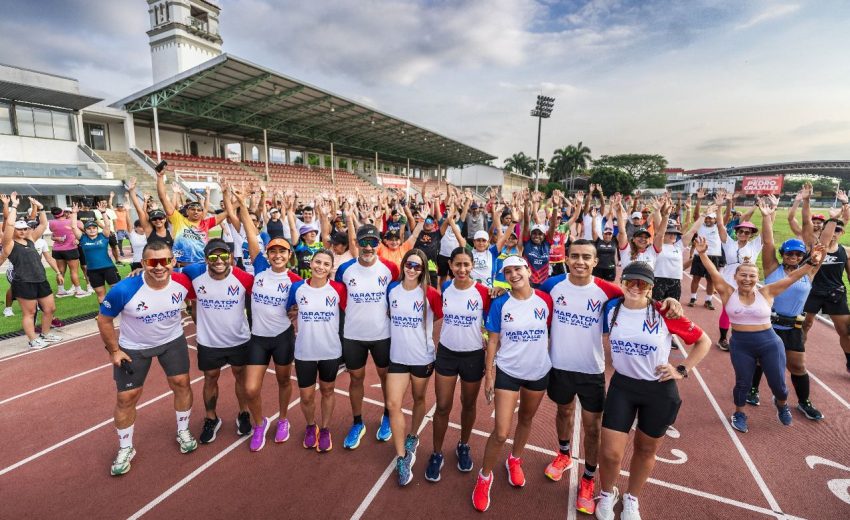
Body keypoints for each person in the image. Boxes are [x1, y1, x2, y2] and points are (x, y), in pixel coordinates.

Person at [596, 261, 711, 520]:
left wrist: (682, 370)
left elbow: (703, 341)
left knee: (646, 449)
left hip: (658, 390)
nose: (635, 287)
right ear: (622, 282)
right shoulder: (611, 307)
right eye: (630, 281)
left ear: (651, 287)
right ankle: (607, 493)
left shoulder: (664, 312)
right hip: (623, 386)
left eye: (643, 283)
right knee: (611, 452)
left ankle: (632, 498)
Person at [694, 236, 825, 433]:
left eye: (752, 276)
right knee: (742, 383)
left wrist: (812, 263)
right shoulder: (727, 292)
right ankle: (739, 413)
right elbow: (713, 271)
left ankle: (781, 405)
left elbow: (791, 277)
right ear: (736, 277)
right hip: (741, 344)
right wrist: (703, 254)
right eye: (743, 275)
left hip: (769, 343)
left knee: (779, 385)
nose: (747, 279)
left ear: (757, 278)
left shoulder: (767, 292)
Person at [97, 241, 197, 475]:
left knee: (182, 384)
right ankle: (125, 447)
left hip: (172, 342)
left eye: (165, 261)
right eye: (152, 262)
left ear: (173, 261)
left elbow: (208, 275)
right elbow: (103, 320)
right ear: (143, 264)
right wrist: (114, 351)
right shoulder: (124, 289)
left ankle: (183, 430)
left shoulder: (183, 281)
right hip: (134, 348)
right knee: (126, 397)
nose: (159, 267)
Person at [538, 239, 623, 515]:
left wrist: (668, 303)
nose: (580, 262)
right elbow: (525, 295)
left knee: (593, 427)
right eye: (574, 256)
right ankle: (563, 455)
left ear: (596, 262)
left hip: (591, 370)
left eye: (586, 257)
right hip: (560, 365)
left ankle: (588, 478)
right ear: (566, 258)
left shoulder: (608, 290)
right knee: (563, 412)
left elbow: (639, 298)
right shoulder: (553, 285)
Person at [472, 256, 553, 512]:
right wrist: (489, 374)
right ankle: (484, 477)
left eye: (518, 269)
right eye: (508, 271)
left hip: (538, 371)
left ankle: (514, 459)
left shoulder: (545, 299)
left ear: (528, 271)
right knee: (500, 432)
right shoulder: (500, 303)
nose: (514, 274)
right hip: (508, 371)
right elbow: (493, 341)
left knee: (526, 420)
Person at [750, 199, 837, 421]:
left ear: (803, 257)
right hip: (768, 325)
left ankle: (804, 402)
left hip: (792, 328)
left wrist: (833, 219)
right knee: (760, 360)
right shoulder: (772, 268)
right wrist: (767, 215)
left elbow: (823, 245)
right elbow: (767, 242)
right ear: (783, 255)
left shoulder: (809, 271)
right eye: (789, 254)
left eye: (798, 255)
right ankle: (752, 390)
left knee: (798, 365)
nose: (794, 257)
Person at [236, 194, 303, 452]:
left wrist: (297, 313)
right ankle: (260, 422)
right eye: (273, 250)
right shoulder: (260, 265)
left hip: (283, 338)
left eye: (282, 251)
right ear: (267, 253)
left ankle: (284, 419)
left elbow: (306, 305)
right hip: (258, 339)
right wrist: (242, 203)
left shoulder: (295, 281)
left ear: (289, 255)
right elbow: (252, 233)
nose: (277, 255)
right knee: (251, 388)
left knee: (284, 381)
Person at [425, 247, 490, 482]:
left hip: (472, 355)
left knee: (468, 404)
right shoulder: (445, 288)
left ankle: (463, 445)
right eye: (458, 265)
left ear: (472, 266)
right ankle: (436, 453)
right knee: (442, 406)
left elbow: (493, 326)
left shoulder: (483, 292)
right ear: (450, 265)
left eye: (466, 264)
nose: (462, 269)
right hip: (447, 354)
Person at [183, 238, 255, 444]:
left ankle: (243, 413)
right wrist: (138, 274)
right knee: (210, 378)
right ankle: (211, 417)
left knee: (240, 377)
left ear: (231, 257)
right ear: (206, 259)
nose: (219, 260)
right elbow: (168, 274)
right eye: (213, 256)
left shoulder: (243, 278)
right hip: (209, 342)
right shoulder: (194, 274)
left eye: (224, 255)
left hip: (238, 339)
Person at [335, 224, 400, 449]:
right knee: (356, 379)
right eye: (364, 242)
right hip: (353, 335)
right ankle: (357, 422)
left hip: (383, 334)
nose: (368, 247)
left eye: (373, 242)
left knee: (385, 377)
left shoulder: (390, 269)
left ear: (378, 244)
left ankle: (387, 416)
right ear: (357, 243)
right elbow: (340, 299)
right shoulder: (344, 270)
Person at [386, 249, 443, 486]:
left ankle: (413, 435)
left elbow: (440, 319)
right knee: (392, 404)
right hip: (397, 357)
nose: (412, 269)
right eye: (409, 264)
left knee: (419, 398)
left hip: (422, 357)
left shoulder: (430, 294)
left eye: (418, 267)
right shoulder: (392, 289)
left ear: (423, 271)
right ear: (403, 265)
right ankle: (402, 456)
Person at [287, 249, 347, 453]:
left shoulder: (338, 289)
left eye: (326, 264)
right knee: (306, 396)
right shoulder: (297, 288)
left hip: (330, 350)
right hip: (304, 351)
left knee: (328, 390)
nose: (321, 267)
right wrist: (293, 314)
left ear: (331, 268)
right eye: (317, 262)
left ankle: (326, 428)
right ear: (311, 264)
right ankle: (311, 426)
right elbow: (289, 310)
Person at [1, 193, 62, 349]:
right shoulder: (9, 244)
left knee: (50, 308)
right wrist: (13, 206)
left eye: (24, 228)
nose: (22, 231)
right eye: (19, 229)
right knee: (29, 313)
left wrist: (41, 208)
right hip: (24, 282)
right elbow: (8, 225)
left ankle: (46, 334)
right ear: (14, 230)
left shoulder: (31, 239)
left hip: (40, 279)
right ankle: (32, 339)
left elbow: (42, 225)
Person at [155, 169, 228, 265]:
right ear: (187, 211)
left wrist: (226, 193)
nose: (196, 212)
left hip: (201, 263)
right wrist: (160, 178)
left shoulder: (206, 223)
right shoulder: (179, 219)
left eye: (199, 210)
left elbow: (227, 212)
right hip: (179, 264)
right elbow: (163, 198)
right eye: (193, 209)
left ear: (202, 213)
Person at [716, 201, 762, 351]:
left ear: (751, 234)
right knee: (727, 310)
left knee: (746, 310)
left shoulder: (754, 246)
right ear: (737, 232)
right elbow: (720, 226)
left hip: (747, 282)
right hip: (729, 281)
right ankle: (723, 338)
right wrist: (719, 207)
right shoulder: (728, 243)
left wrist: (768, 212)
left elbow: (768, 231)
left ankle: (742, 338)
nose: (743, 234)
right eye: (741, 231)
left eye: (747, 232)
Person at [71, 204, 120, 304]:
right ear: (85, 230)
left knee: (116, 292)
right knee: (100, 294)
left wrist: (103, 212)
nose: (92, 230)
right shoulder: (83, 239)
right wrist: (74, 213)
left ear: (97, 229)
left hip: (108, 268)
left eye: (94, 228)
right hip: (93, 271)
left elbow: (107, 225)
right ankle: (104, 313)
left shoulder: (103, 236)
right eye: (89, 228)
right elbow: (73, 226)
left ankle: (120, 311)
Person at [688, 190, 723, 310]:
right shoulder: (701, 226)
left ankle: (708, 301)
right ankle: (693, 298)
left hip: (714, 256)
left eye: (711, 219)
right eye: (707, 218)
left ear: (715, 219)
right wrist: (699, 200)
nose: (708, 220)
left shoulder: (719, 227)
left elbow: (726, 216)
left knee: (711, 280)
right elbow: (696, 215)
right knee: (696, 278)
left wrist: (721, 204)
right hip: (699, 256)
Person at [48, 207, 85, 298]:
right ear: (63, 213)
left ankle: (61, 291)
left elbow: (53, 232)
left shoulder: (51, 222)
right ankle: (78, 291)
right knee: (74, 271)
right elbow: (79, 229)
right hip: (70, 248)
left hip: (57, 249)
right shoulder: (70, 221)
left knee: (60, 271)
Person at [127, 178, 173, 249]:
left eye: (160, 218)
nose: (158, 220)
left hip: (168, 260)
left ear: (165, 219)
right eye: (154, 219)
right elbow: (139, 210)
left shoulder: (170, 231)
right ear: (151, 221)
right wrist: (132, 191)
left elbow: (169, 204)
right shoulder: (149, 230)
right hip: (153, 260)